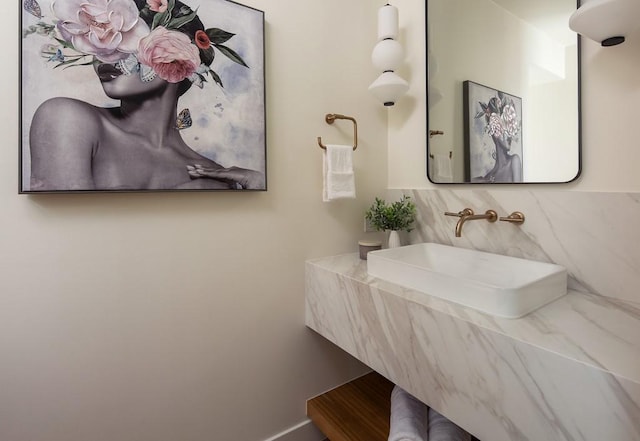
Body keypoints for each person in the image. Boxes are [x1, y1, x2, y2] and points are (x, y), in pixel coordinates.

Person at [26, 0, 264, 191]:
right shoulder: (67, 119)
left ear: (182, 61)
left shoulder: (212, 172)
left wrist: (256, 188)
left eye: (128, 43)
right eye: (100, 43)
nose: (105, 56)